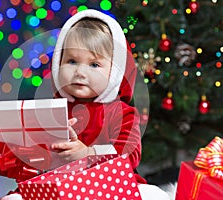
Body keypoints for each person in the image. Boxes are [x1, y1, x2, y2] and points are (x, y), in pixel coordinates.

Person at [49, 9, 170, 200]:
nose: (80, 72)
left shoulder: (122, 114)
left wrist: (88, 154)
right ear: (57, 63)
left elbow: (128, 155)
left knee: (153, 195)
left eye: (94, 65)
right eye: (71, 61)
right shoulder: (52, 110)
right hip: (63, 183)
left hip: (110, 185)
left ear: (114, 72)